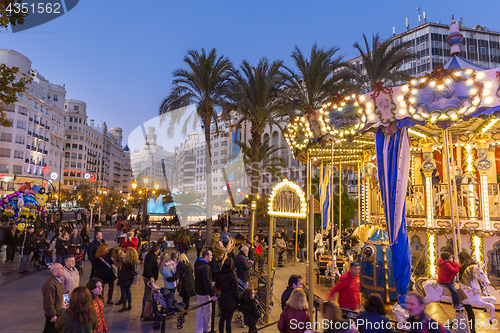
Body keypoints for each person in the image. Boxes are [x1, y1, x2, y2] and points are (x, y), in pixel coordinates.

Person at [194, 250, 218, 333]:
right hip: (204, 293)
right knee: (208, 310)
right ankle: (207, 328)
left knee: (200, 310)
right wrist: (212, 295)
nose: (212, 256)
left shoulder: (197, 263)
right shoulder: (205, 267)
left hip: (198, 290)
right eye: (211, 255)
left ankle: (198, 330)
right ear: (206, 256)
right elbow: (206, 282)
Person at [215, 258, 239, 333]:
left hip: (223, 297)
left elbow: (216, 285)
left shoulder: (219, 273)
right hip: (231, 299)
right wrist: (238, 300)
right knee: (228, 320)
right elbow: (235, 290)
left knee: (222, 318)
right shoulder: (232, 275)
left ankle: (221, 331)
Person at [458, 251, 478, 333]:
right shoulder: (473, 263)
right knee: (466, 308)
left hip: (465, 288)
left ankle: (472, 328)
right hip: (473, 287)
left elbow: (461, 277)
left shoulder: (464, 265)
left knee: (468, 308)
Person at [42, 263, 65, 333]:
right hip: (54, 314)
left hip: (59, 311)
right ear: (54, 272)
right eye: (61, 268)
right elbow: (49, 301)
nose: (63, 270)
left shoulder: (58, 280)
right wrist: (52, 315)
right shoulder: (50, 284)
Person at [117, 247, 139, 312]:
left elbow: (119, 266)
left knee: (123, 292)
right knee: (128, 290)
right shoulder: (133, 260)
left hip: (123, 277)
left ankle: (124, 305)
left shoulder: (124, 260)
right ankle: (130, 304)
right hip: (130, 277)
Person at [142, 243, 160, 318]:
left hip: (149, 278)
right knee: (148, 295)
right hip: (149, 279)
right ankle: (145, 312)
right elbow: (148, 268)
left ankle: (148, 311)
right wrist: (151, 277)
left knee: (150, 294)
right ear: (157, 250)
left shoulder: (151, 255)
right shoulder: (150, 256)